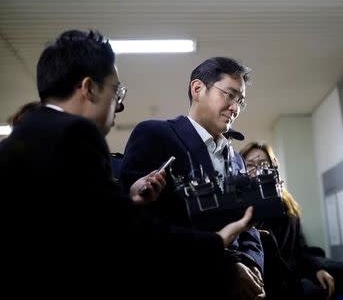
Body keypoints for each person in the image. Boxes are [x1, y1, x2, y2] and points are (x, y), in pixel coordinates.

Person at [0, 30, 254, 298]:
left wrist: (130, 202)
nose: (118, 106)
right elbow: (126, 232)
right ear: (88, 88)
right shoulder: (75, 134)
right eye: (116, 91)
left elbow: (86, 220)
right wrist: (216, 241)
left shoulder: (27, 135)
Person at [120, 57, 265, 300]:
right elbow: (142, 223)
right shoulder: (156, 135)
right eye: (229, 95)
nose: (235, 107)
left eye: (240, 100)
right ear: (197, 89)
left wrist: (251, 265)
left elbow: (248, 226)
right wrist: (226, 267)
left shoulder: (237, 160)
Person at [241, 142, 343, 300]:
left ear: (273, 168)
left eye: (263, 164)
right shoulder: (239, 205)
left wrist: (317, 269)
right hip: (263, 279)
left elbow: (299, 249)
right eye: (250, 165)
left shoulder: (286, 203)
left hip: (292, 276)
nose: (257, 169)